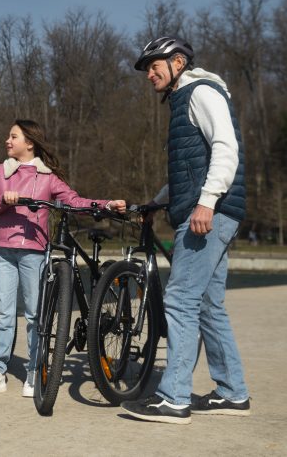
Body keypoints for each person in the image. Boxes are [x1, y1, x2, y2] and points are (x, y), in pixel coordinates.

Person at [121, 36, 249, 424]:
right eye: (145, 69)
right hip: (211, 209)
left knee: (179, 300)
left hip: (208, 213)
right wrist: (159, 201)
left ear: (178, 61)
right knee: (209, 306)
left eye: (153, 65)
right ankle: (232, 392)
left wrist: (207, 201)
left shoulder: (200, 92)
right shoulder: (184, 100)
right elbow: (190, 169)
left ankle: (174, 398)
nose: (148, 74)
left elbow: (226, 148)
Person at [0, 119, 125, 397]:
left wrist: (105, 204)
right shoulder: (0, 171)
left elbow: (74, 200)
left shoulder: (47, 177)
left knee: (36, 314)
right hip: (3, 248)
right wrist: (4, 201)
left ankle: (36, 368)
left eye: (13, 137)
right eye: (9, 137)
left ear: (29, 143)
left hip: (34, 249)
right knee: (2, 311)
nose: (7, 141)